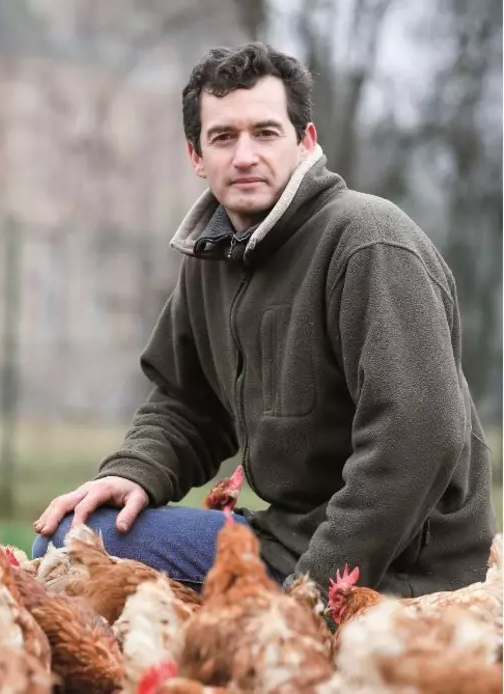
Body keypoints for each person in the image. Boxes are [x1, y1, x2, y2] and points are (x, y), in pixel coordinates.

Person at [31, 41, 497, 597]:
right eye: (223, 137)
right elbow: (187, 402)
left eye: (265, 133)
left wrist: (315, 592)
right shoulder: (213, 256)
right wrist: (131, 471)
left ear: (306, 143)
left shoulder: (367, 242)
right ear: (196, 156)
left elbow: (419, 438)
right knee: (74, 541)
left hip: (398, 565)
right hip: (283, 540)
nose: (244, 155)